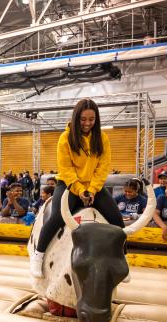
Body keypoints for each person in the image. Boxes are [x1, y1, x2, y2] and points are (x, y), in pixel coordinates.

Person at [30, 98, 123, 277]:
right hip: (68, 185)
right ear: (76, 118)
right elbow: (66, 169)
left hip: (93, 186)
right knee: (57, 217)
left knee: (117, 220)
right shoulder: (65, 138)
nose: (87, 123)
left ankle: (121, 258)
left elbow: (103, 167)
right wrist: (80, 190)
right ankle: (38, 256)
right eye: (83, 119)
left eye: (91, 119)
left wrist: (93, 189)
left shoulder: (102, 138)